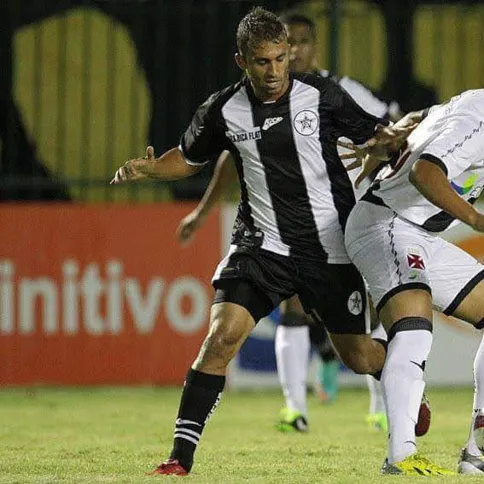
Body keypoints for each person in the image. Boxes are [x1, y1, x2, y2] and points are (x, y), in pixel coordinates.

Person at [111, 7, 410, 475]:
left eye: (278, 60)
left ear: (288, 55)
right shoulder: (223, 110)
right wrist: (150, 168)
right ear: (241, 61)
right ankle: (179, 459)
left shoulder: (323, 96)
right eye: (261, 62)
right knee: (220, 338)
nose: (272, 72)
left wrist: (388, 146)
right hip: (261, 246)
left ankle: (407, 375)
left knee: (358, 356)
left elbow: (379, 137)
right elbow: (189, 160)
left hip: (328, 248)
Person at [176, 11, 394, 434]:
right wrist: (202, 211)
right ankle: (295, 405)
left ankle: (384, 403)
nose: (286, 56)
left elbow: (388, 129)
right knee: (290, 311)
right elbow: (230, 155)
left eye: (294, 45)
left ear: (305, 48)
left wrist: (383, 160)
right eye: (276, 49)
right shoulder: (236, 108)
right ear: (247, 59)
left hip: (344, 225)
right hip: (277, 234)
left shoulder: (339, 91)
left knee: (360, 339)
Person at [344, 88, 484, 475]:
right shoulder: (480, 119)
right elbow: (425, 173)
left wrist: (388, 136)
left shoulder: (467, 104)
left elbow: (421, 114)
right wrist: (477, 221)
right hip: (385, 222)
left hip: (418, 233)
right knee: (414, 327)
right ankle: (401, 456)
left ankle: (477, 450)